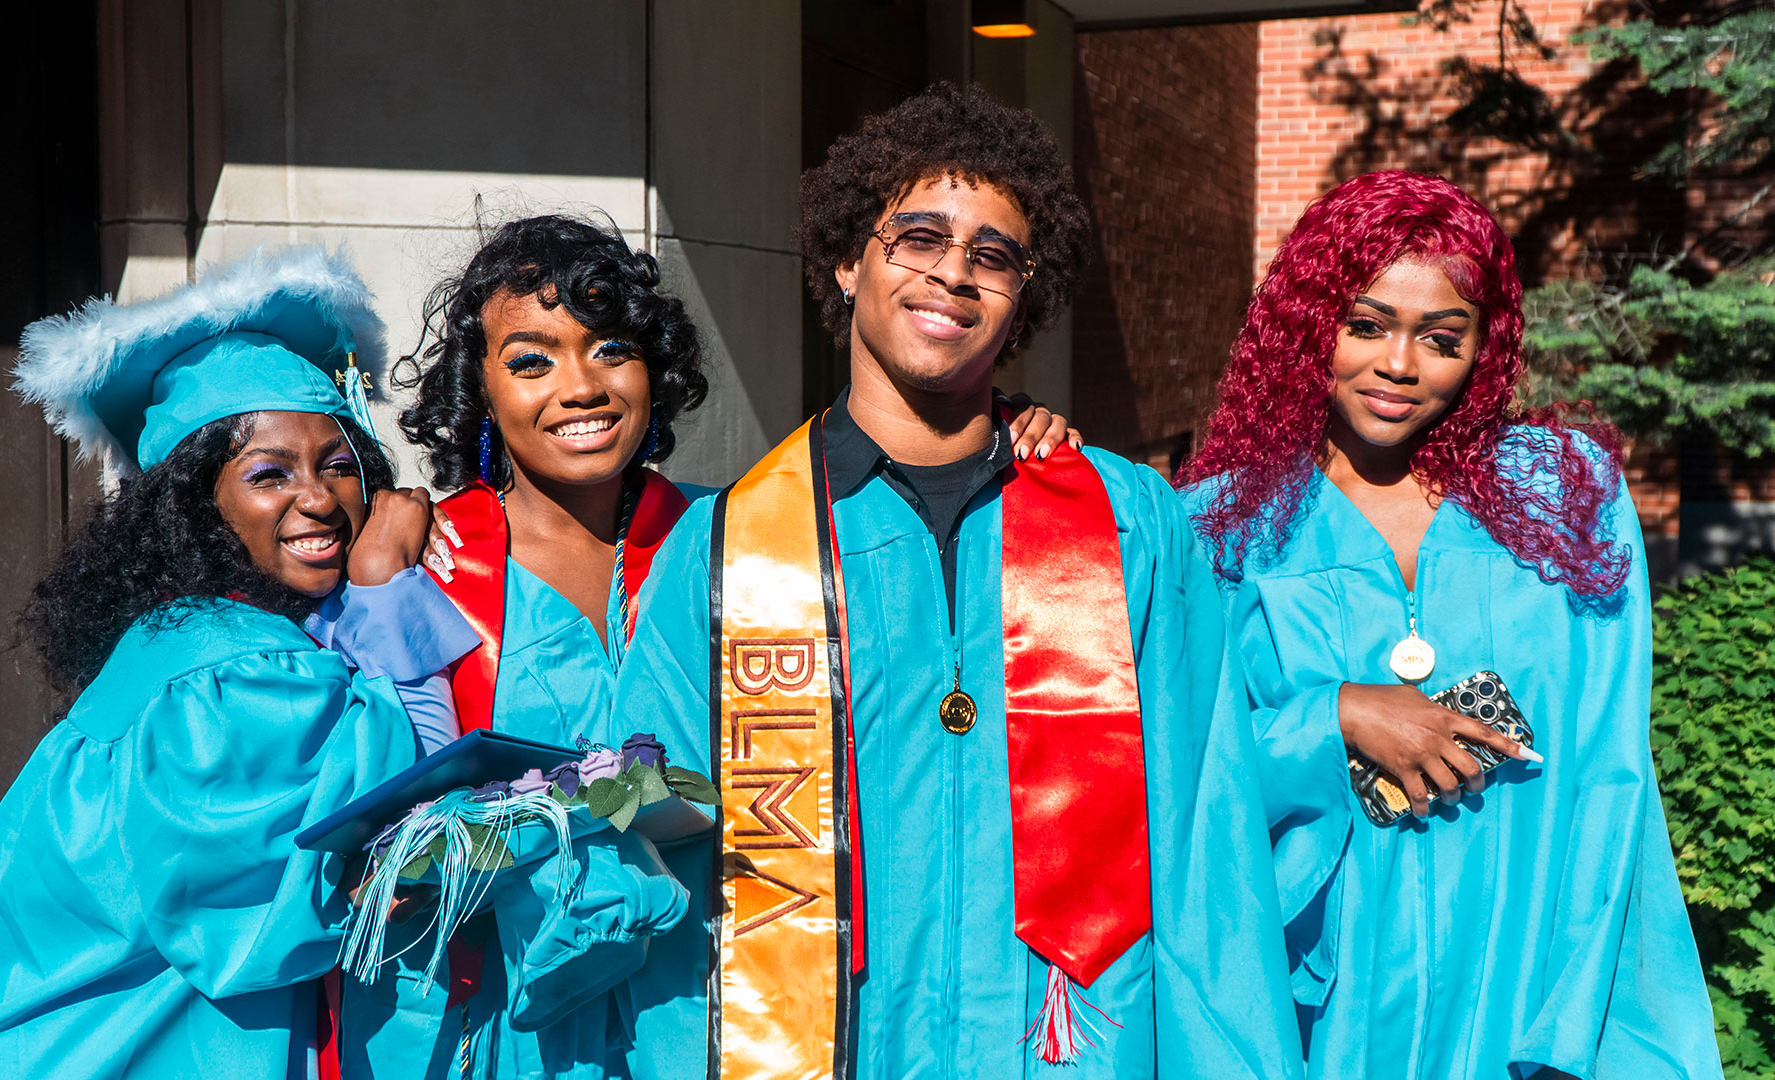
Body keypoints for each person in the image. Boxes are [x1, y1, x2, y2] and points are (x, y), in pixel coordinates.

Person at [600, 82, 1302, 1079]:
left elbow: (1204, 844)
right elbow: (658, 852)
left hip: (1075, 1050)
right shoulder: (727, 552)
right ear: (848, 260)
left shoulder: (1126, 524)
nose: (953, 274)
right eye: (918, 238)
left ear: (1023, 300)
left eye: (993, 256)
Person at [366, 213, 1084, 1079]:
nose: (581, 386)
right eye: (531, 362)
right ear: (479, 390)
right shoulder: (426, 567)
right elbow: (382, 821)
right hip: (509, 1022)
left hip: (707, 1010)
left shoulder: (742, 541)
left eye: (611, 350)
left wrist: (1005, 425)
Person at [1176, 170, 1722, 1079]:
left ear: (1483, 350)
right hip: (1319, 1000)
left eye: (1441, 338)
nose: (1399, 365)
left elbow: (1609, 767)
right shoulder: (1223, 529)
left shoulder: (1561, 496)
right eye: (1365, 325)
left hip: (1517, 966)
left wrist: (1573, 1024)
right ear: (1310, 325)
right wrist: (1334, 718)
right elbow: (1181, 786)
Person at [0, 245, 485, 1079]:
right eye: (268, 474)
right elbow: (420, 811)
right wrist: (383, 584)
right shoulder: (235, 676)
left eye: (339, 466)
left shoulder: (163, 651)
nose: (318, 499)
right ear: (195, 507)